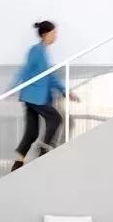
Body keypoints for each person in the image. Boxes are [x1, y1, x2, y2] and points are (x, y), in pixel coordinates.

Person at [10, 21, 78, 172]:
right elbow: (25, 70)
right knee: (55, 118)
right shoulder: (36, 51)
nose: (56, 36)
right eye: (54, 33)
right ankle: (43, 149)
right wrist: (13, 87)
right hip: (34, 96)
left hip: (33, 98)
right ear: (45, 34)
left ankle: (17, 164)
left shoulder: (44, 52)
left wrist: (65, 91)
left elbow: (50, 77)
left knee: (32, 133)